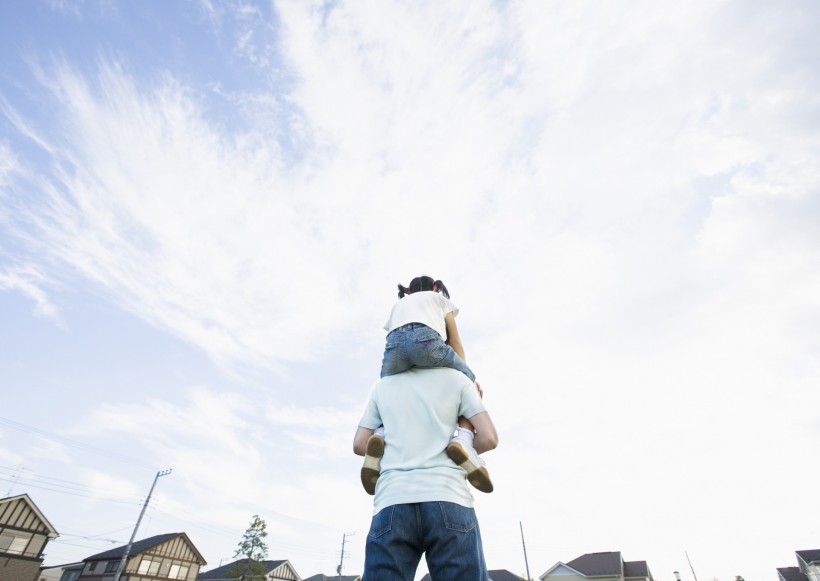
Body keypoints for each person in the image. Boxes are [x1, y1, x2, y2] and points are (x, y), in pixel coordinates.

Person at [354, 366, 499, 581]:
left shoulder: (383, 387)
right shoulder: (459, 380)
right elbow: (489, 438)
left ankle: (381, 435)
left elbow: (359, 445)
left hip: (392, 500)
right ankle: (463, 440)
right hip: (449, 497)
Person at [360, 275, 492, 495]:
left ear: (409, 291)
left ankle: (379, 437)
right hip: (427, 342)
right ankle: (464, 440)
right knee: (471, 387)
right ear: (434, 287)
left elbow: (395, 337)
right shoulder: (438, 299)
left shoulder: (398, 305)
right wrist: (467, 378)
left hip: (394, 349)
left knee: (386, 396)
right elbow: (455, 339)